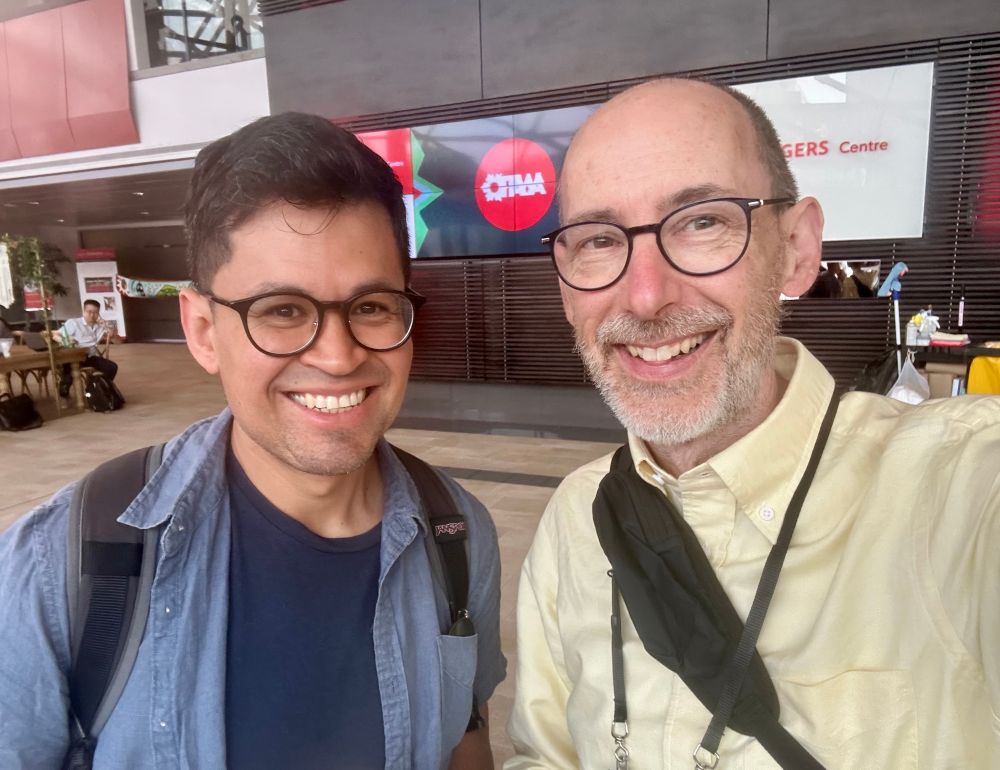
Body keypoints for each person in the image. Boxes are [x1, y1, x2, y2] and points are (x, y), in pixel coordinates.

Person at [506, 78, 999, 769]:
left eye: (703, 221)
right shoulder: (575, 521)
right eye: (597, 240)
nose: (645, 296)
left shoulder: (959, 490)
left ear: (796, 249)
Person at [0, 113, 505, 769]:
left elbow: (465, 732)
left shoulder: (460, 536)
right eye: (283, 311)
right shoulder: (58, 567)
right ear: (204, 331)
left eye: (371, 306)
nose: (337, 355)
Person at [54, 298, 119, 396]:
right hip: (73, 357)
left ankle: (95, 390)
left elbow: (116, 339)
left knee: (112, 367)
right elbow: (56, 335)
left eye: (95, 312)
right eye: (89, 312)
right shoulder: (74, 323)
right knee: (68, 376)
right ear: (84, 311)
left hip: (89, 357)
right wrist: (67, 341)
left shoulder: (99, 326)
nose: (92, 315)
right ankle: (64, 392)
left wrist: (106, 326)